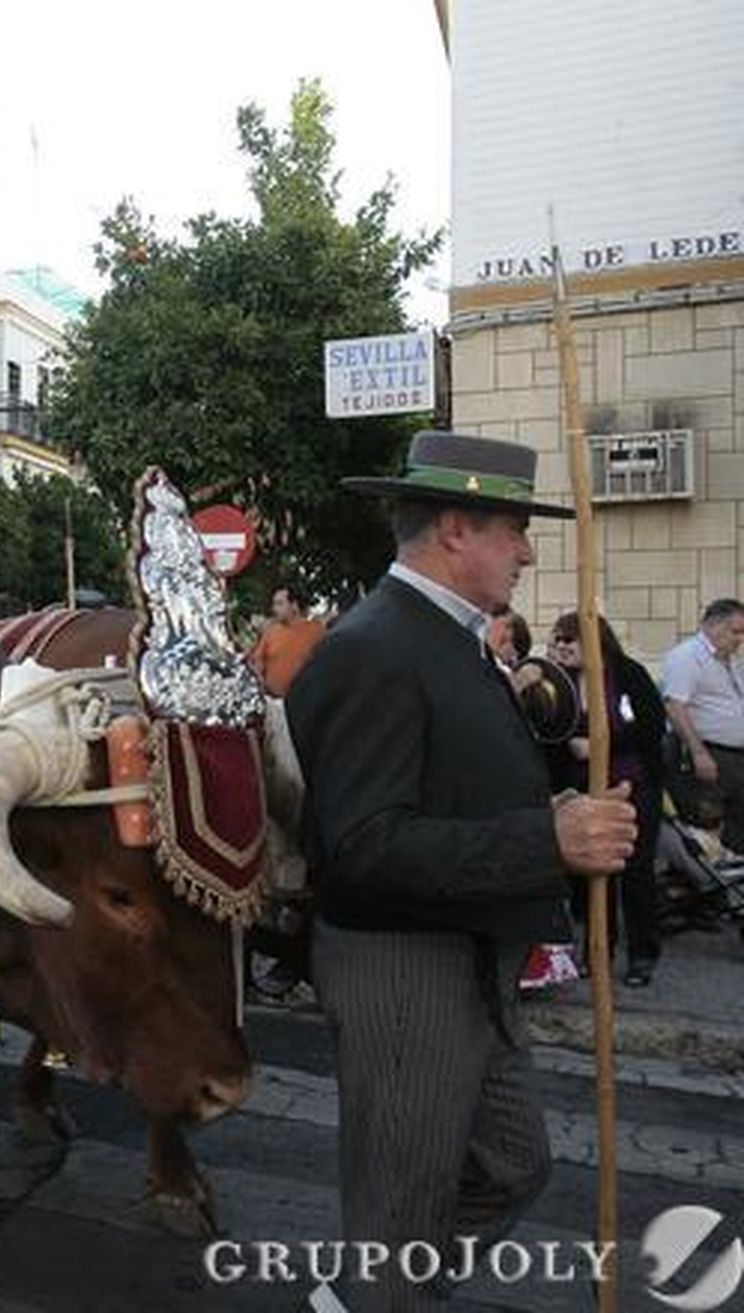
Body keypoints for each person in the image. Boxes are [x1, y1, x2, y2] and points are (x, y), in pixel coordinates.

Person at [285, 430, 637, 1311]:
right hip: (404, 971)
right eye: (512, 528)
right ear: (452, 526)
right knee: (400, 1209)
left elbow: (460, 790)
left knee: (516, 1167)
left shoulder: (454, 640)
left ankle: (365, 1294)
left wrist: (551, 817)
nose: (525, 550)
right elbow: (364, 846)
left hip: (474, 960)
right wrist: (545, 843)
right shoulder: (375, 647)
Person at [545, 612, 667, 986]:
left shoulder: (627, 674)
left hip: (633, 785)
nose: (563, 647)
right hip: (581, 789)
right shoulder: (559, 682)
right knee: (593, 877)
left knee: (634, 870)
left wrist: (601, 746)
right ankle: (596, 951)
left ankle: (643, 954)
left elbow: (650, 726)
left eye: (571, 640)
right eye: (559, 641)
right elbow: (547, 732)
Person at [662, 598, 744, 857]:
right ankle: (713, 888)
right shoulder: (687, 656)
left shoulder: (730, 660)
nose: (740, 639)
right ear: (714, 625)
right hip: (709, 753)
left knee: (737, 823)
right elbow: (676, 706)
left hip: (735, 757)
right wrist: (698, 752)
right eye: (736, 631)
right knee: (709, 821)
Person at [246, 584, 325, 697]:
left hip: (307, 700)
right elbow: (258, 661)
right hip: (276, 703)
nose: (274, 609)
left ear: (294, 606)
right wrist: (259, 679)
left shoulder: (316, 631)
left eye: (280, 604)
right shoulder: (270, 633)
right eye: (274, 604)